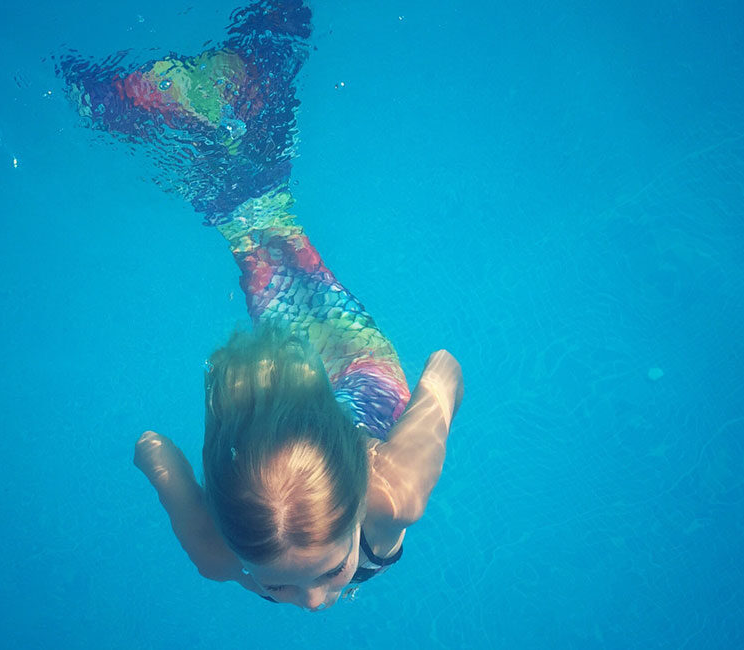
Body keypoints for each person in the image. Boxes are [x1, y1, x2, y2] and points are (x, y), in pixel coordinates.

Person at [58, 0, 464, 611]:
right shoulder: (396, 498)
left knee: (261, 245)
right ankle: (229, 81)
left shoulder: (218, 553)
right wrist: (387, 449)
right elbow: (442, 372)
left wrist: (362, 450)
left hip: (348, 415)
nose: (313, 601)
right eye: (280, 584)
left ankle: (211, 94)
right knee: (265, 239)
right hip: (366, 381)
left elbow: (152, 448)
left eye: (324, 573)